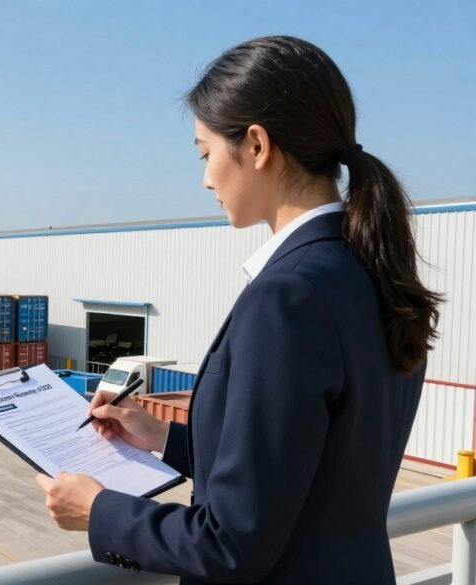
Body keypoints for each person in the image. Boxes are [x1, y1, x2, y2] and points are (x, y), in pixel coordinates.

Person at [35, 36, 442, 584]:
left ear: (256, 145)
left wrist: (100, 511)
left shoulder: (287, 297)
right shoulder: (372, 271)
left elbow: (230, 544)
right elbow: (311, 471)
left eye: (206, 154)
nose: (205, 178)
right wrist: (160, 437)